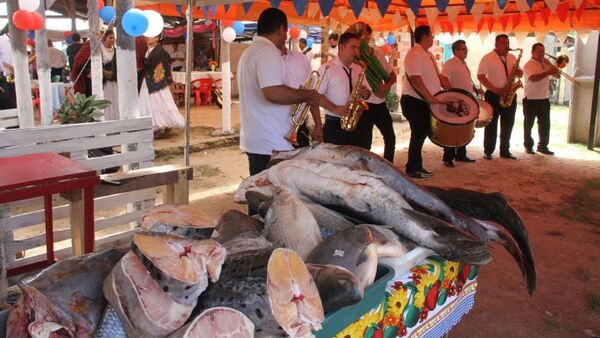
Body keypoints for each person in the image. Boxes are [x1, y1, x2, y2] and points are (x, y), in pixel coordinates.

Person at [237, 8, 321, 175]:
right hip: (271, 143)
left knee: (261, 195)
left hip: (259, 141)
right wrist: (307, 94)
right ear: (282, 29)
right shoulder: (268, 52)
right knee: (276, 197)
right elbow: (272, 92)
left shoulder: (249, 53)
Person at [349, 22, 397, 163]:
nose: (364, 39)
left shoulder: (377, 54)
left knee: (390, 137)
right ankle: (365, 168)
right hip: (364, 104)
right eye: (360, 36)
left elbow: (392, 75)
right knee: (365, 142)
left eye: (365, 36)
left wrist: (386, 85)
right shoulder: (353, 58)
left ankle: (389, 166)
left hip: (380, 103)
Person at [400, 25, 443, 179]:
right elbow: (416, 79)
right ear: (424, 36)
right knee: (418, 133)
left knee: (422, 132)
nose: (433, 37)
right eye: (431, 35)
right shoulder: (414, 53)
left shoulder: (428, 54)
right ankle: (412, 168)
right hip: (414, 101)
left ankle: (417, 165)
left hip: (422, 101)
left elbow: (437, 77)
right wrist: (429, 97)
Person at [315, 32, 371, 148]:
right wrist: (335, 108)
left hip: (357, 124)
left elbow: (368, 94)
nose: (357, 52)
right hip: (335, 124)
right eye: (353, 47)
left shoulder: (358, 68)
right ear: (341, 47)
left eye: (358, 48)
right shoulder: (327, 68)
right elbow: (315, 96)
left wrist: (366, 93)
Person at [477, 34, 523, 160]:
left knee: (508, 123)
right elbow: (480, 76)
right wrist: (496, 89)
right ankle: (488, 151)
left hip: (509, 95)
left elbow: (520, 73)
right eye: (503, 43)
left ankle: (505, 150)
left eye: (507, 42)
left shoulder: (512, 57)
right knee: (491, 124)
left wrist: (520, 72)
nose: (507, 45)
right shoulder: (487, 58)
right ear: (496, 45)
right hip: (493, 94)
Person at [440, 39, 481, 167]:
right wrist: (453, 95)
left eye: (466, 48)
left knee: (464, 128)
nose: (466, 51)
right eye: (463, 49)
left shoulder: (463, 63)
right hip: (455, 101)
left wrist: (475, 89)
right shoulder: (450, 63)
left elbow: (465, 82)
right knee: (452, 130)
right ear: (456, 51)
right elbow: (444, 79)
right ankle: (448, 157)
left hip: (465, 100)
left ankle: (461, 154)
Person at [139, 35, 184, 137]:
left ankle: (160, 126)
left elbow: (160, 63)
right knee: (151, 102)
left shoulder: (159, 50)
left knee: (160, 101)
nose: (148, 38)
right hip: (149, 79)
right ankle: (156, 125)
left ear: (157, 38)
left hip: (157, 80)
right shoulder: (150, 49)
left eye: (151, 36)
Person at [522, 43, 559, 156]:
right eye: (539, 51)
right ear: (532, 52)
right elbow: (533, 78)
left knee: (545, 124)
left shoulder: (546, 63)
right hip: (531, 99)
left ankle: (543, 146)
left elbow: (557, 76)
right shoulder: (528, 64)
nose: (542, 54)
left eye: (543, 51)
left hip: (544, 98)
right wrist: (548, 72)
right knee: (529, 124)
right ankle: (528, 146)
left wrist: (554, 69)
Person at [281, 45, 321, 146]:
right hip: (275, 127)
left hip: (299, 124)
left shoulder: (301, 59)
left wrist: (318, 125)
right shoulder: (265, 59)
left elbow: (312, 94)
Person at [101, 30, 119, 120]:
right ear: (105, 38)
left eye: (114, 38)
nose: (113, 40)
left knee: (115, 99)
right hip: (104, 81)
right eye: (110, 38)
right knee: (106, 99)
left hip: (114, 80)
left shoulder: (116, 50)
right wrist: (104, 71)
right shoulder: (100, 50)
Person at [0, 28, 16, 109]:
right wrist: (8, 66)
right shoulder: (1, 40)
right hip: (3, 76)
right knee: (7, 99)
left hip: (13, 75)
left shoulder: (15, 42)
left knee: (14, 98)